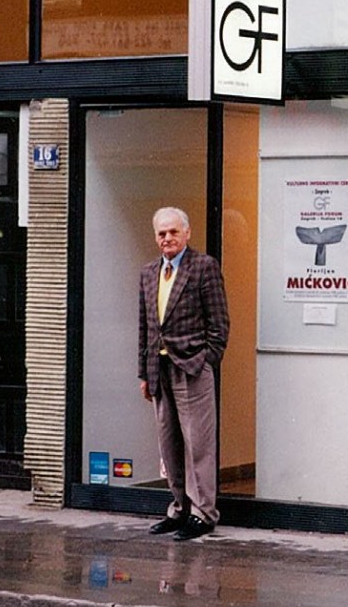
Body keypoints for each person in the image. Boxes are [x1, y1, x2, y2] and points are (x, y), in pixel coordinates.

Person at [138, 207, 229, 541]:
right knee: (169, 444)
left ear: (187, 233)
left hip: (191, 367)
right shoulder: (149, 273)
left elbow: (219, 323)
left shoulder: (203, 267)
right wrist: (143, 373)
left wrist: (206, 361)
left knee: (198, 445)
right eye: (162, 233)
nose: (167, 238)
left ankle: (203, 513)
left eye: (174, 232)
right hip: (159, 369)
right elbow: (145, 327)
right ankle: (178, 508)